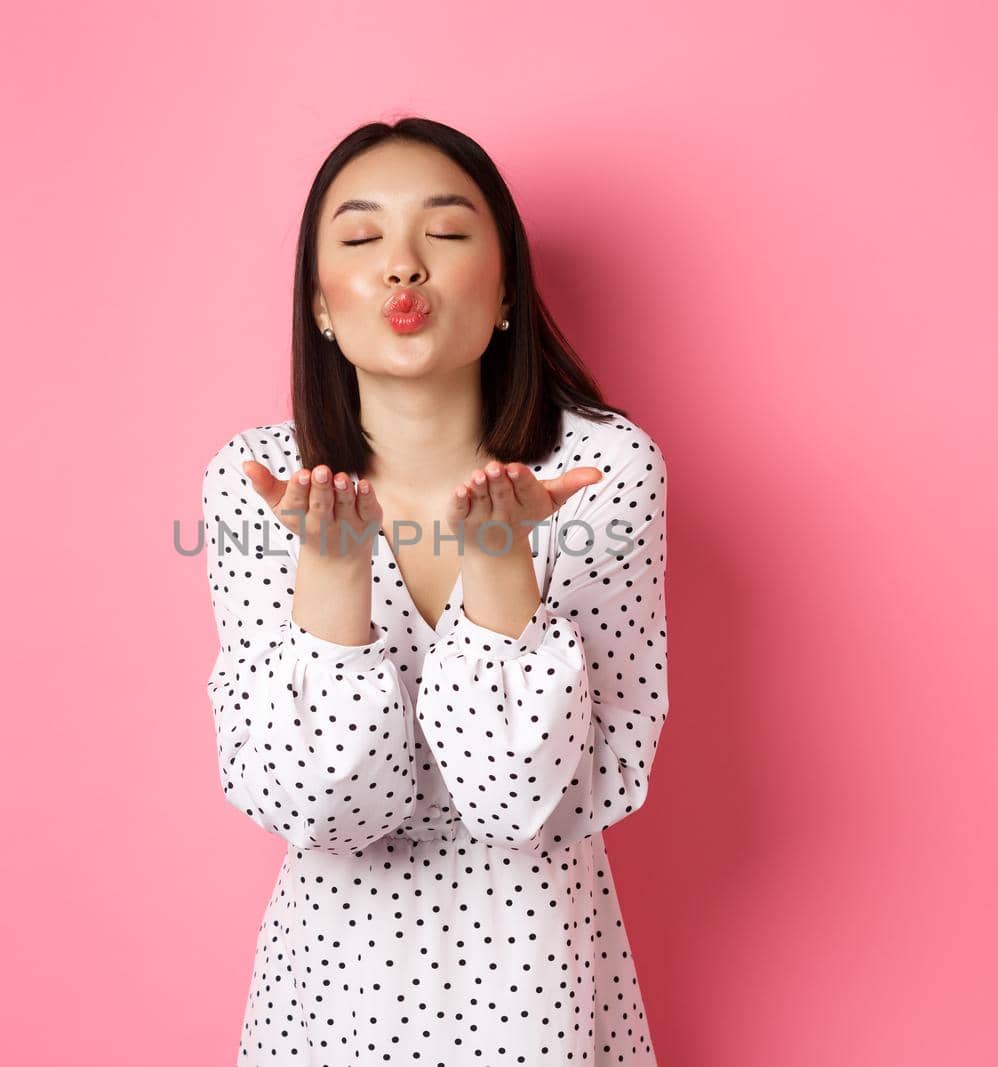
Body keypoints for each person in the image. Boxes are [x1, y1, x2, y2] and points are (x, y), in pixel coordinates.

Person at [200, 116, 669, 1065]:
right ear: (321, 305)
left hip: (535, 995)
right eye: (363, 239)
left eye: (446, 235)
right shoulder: (256, 480)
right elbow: (326, 815)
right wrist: (332, 577)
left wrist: (502, 563)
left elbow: (525, 806)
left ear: (504, 292)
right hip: (330, 1000)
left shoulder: (603, 471)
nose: (403, 268)